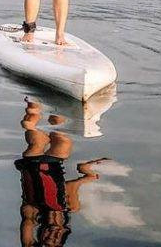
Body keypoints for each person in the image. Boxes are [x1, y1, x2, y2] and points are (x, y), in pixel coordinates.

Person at [13, 98, 109, 247]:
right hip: (54, 163)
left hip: (32, 163)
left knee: (30, 126)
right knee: (62, 135)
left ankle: (32, 97)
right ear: (64, 232)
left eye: (47, 238)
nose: (53, 233)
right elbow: (71, 185)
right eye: (57, 238)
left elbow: (26, 240)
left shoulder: (32, 212)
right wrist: (88, 173)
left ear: (41, 236)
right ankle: (57, 100)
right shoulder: (70, 207)